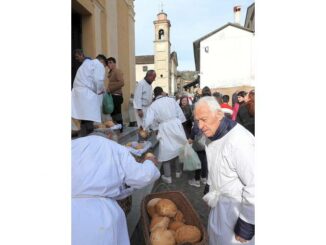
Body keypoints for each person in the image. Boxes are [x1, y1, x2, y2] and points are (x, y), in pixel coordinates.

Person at [72, 131, 160, 245]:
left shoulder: (72, 145)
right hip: (101, 217)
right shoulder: (114, 147)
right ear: (108, 137)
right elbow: (142, 176)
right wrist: (149, 163)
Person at [194, 96, 255, 245]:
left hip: (236, 211)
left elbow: (256, 184)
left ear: (219, 115)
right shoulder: (212, 134)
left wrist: (247, 224)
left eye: (204, 119)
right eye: (197, 121)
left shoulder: (239, 142)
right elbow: (215, 163)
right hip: (220, 207)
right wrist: (209, 187)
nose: (200, 126)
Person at [143, 86, 188, 184]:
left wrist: (146, 128)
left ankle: (168, 176)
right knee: (177, 149)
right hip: (176, 126)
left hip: (164, 128)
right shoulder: (171, 100)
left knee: (165, 151)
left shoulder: (153, 105)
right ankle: (178, 171)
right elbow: (179, 113)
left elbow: (150, 120)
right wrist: (181, 124)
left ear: (155, 94)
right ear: (162, 92)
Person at [71, 54, 107, 136]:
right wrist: (100, 90)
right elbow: (98, 80)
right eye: (105, 65)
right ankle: (90, 137)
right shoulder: (98, 64)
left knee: (81, 116)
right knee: (89, 117)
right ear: (102, 62)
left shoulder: (85, 64)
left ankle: (82, 137)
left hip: (76, 93)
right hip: (87, 94)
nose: (104, 68)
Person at [107, 57, 125, 131]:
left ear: (114, 63)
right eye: (108, 63)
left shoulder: (117, 71)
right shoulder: (110, 72)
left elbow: (121, 83)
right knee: (113, 112)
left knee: (117, 112)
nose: (109, 64)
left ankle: (120, 127)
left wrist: (110, 89)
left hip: (117, 96)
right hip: (112, 95)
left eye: (111, 62)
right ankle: (117, 126)